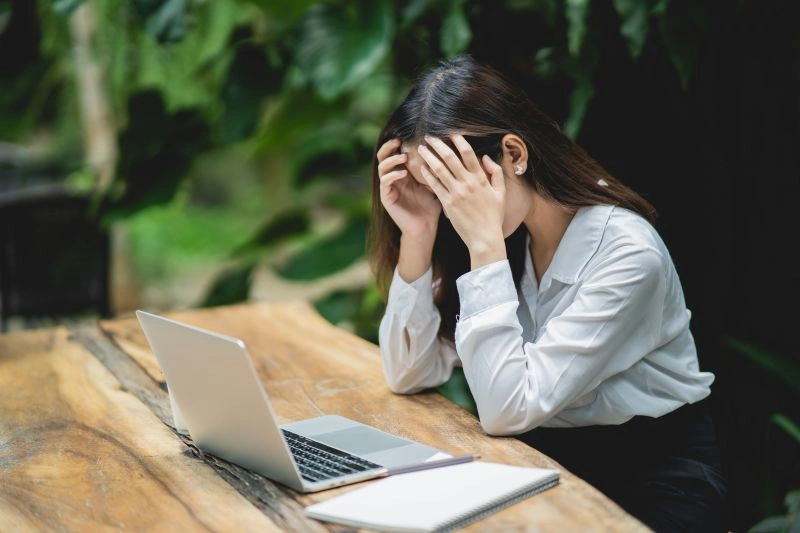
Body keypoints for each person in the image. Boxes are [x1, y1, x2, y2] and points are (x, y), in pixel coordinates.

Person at [367, 55, 728, 532]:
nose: (448, 205)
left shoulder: (626, 253)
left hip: (652, 478)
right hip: (535, 462)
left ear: (513, 155)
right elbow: (409, 372)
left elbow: (507, 409)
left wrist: (485, 247)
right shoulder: (498, 235)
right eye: (430, 187)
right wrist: (417, 234)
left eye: (454, 184)